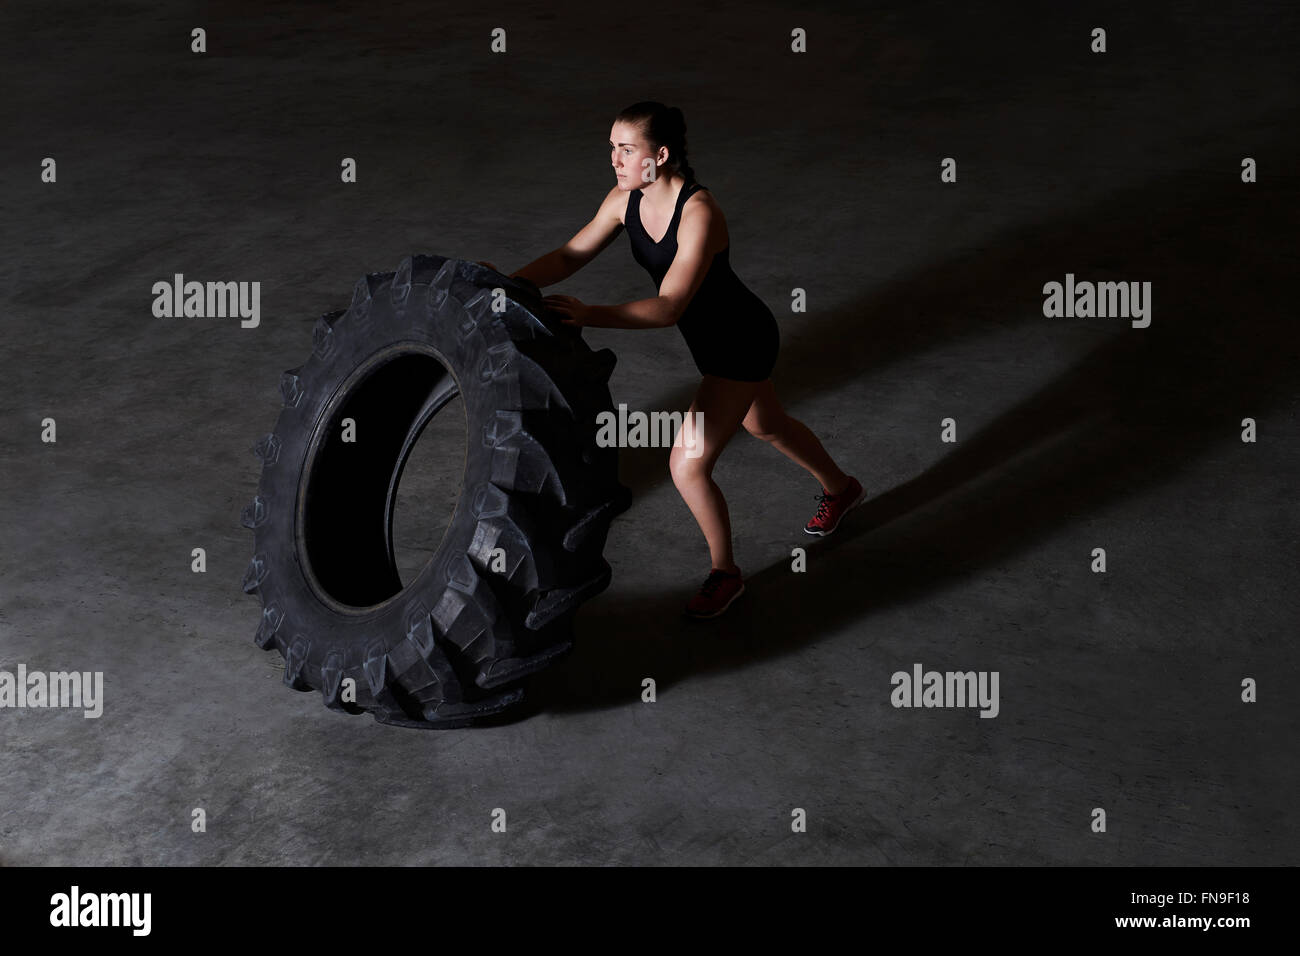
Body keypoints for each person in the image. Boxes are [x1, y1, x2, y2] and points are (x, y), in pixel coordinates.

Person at [478, 101, 862, 620]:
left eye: (626, 149)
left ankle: (725, 574)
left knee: (686, 465)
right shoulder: (624, 200)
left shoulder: (700, 212)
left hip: (741, 343)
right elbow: (571, 255)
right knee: (767, 424)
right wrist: (511, 284)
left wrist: (590, 313)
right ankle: (843, 489)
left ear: (658, 156)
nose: (615, 159)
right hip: (712, 345)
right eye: (612, 147)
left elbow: (669, 307)